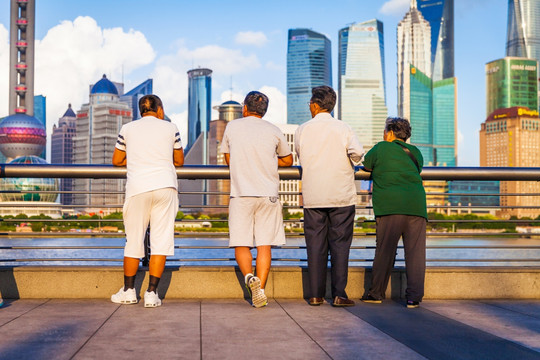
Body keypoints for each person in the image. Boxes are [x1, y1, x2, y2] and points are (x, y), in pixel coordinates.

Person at [111, 94, 184, 308]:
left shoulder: (128, 129)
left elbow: (116, 161)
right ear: (160, 110)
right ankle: (152, 293)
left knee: (133, 241)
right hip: (165, 186)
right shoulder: (170, 128)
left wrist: (135, 156)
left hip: (138, 189)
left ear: (140, 111)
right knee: (160, 241)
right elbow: (179, 160)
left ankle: (129, 291)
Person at [221, 91, 293, 308]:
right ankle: (260, 290)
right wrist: (269, 161)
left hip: (241, 193)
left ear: (244, 107)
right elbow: (288, 160)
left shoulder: (232, 127)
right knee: (264, 244)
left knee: (241, 243)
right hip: (268, 193)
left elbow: (227, 157)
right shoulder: (273, 130)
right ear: (265, 110)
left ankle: (249, 278)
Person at [295, 86, 364, 307]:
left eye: (310, 103)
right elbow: (358, 153)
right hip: (341, 196)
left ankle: (315, 295)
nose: (309, 106)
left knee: (315, 245)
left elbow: (299, 152)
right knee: (340, 246)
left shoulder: (303, 129)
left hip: (314, 195)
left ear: (315, 105)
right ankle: (339, 294)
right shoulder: (343, 128)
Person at [361, 117, 427, 308]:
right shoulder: (415, 151)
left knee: (385, 252)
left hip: (390, 207)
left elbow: (367, 165)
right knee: (415, 254)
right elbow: (418, 169)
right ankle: (414, 297)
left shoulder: (381, 147)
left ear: (389, 132)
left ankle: (376, 294)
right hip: (416, 206)